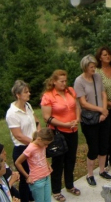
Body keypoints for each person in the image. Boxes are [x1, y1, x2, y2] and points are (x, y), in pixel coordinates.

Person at [41, 70, 80, 201]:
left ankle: (70, 184)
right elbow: (47, 117)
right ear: (54, 82)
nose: (64, 83)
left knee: (71, 159)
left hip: (72, 130)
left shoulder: (70, 91)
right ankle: (56, 190)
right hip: (58, 132)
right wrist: (64, 124)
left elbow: (76, 106)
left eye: (65, 81)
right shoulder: (48, 96)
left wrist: (77, 119)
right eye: (61, 81)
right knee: (58, 161)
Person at [74, 55, 111, 187]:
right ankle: (90, 174)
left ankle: (102, 170)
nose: (94, 69)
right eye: (91, 67)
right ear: (85, 67)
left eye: (94, 66)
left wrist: (104, 110)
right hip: (90, 119)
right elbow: (83, 103)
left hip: (102, 116)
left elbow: (103, 94)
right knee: (93, 147)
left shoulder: (97, 77)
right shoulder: (79, 81)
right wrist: (100, 109)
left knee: (104, 145)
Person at [5, 80, 40, 202]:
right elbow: (18, 135)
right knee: (27, 180)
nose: (29, 93)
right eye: (26, 92)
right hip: (22, 149)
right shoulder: (12, 113)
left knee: (35, 176)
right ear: (18, 95)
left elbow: (36, 121)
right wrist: (35, 143)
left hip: (34, 145)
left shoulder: (28, 106)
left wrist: (39, 135)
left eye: (28, 91)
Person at [15, 129, 54, 202]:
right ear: (39, 139)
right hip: (37, 180)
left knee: (48, 200)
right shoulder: (30, 148)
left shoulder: (42, 145)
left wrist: (48, 165)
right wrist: (27, 176)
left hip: (46, 176)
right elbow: (18, 162)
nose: (46, 146)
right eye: (45, 144)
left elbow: (43, 156)